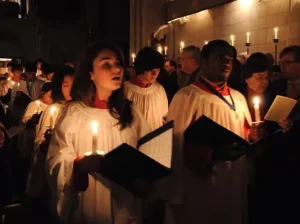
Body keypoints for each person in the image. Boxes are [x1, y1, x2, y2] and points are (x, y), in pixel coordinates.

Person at [46, 41, 151, 224]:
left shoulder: (131, 113)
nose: (116, 69)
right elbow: (56, 159)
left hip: (125, 202)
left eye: (118, 63)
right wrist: (78, 164)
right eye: (106, 64)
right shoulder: (74, 113)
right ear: (91, 74)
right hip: (90, 200)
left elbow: (149, 150)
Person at [166, 40, 259, 224]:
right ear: (204, 62)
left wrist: (253, 136)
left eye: (230, 59)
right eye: (219, 58)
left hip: (234, 179)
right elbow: (175, 146)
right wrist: (213, 154)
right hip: (202, 182)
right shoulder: (186, 96)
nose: (226, 63)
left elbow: (246, 134)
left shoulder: (238, 97)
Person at [124, 47, 168, 130]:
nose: (155, 74)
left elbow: (164, 114)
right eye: (151, 70)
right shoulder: (126, 89)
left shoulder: (159, 89)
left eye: (157, 69)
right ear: (142, 67)